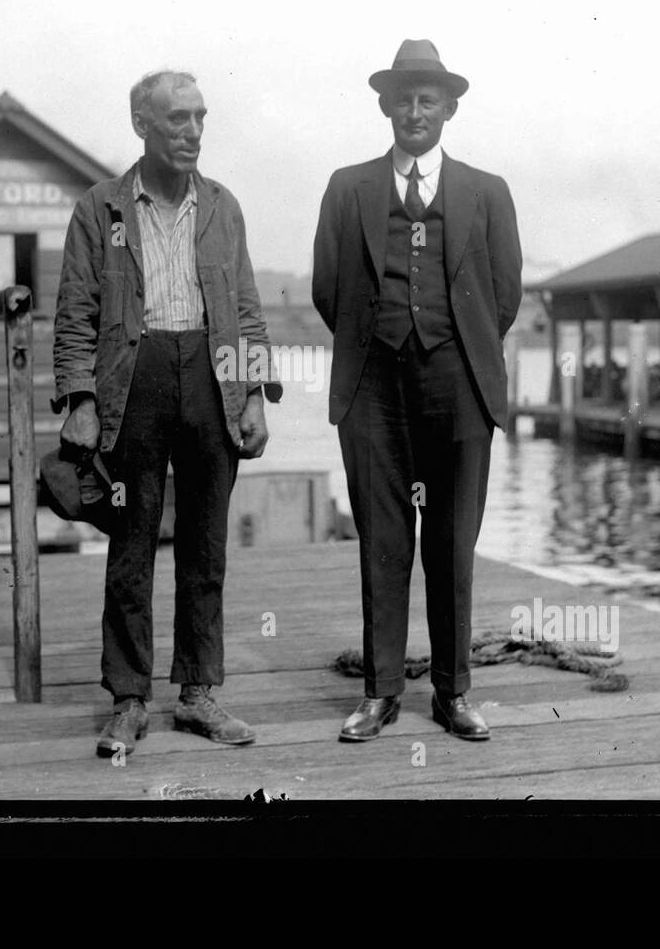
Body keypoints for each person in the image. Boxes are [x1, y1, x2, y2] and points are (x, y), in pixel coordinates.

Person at [53, 70, 283, 757]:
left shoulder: (222, 207)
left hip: (212, 379)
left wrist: (253, 398)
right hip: (136, 379)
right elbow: (75, 314)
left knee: (206, 545)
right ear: (141, 124)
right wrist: (82, 400)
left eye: (200, 118)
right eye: (177, 119)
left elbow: (245, 309)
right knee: (131, 544)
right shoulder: (100, 209)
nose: (192, 132)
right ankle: (128, 697)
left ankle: (198, 693)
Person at [312, 40, 523, 742]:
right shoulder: (349, 188)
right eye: (403, 97)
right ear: (385, 106)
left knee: (453, 540)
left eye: (427, 98)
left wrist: (457, 342)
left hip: (459, 382)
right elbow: (329, 288)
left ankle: (454, 691)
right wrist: (380, 338)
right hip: (373, 384)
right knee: (383, 539)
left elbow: (505, 292)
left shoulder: (486, 191)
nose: (414, 110)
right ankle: (380, 692)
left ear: (449, 108)